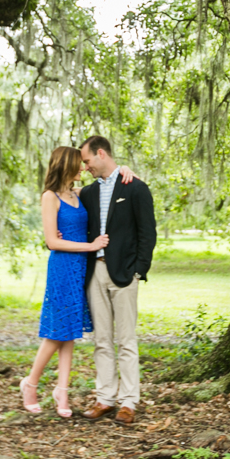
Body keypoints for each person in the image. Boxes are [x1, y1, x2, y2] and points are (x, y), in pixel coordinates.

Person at [20, 146, 134, 417]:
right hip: (62, 269)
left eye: (85, 164)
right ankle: (30, 384)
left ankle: (62, 392)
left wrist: (127, 171)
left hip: (81, 269)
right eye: (79, 164)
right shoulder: (49, 197)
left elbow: (110, 187)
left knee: (70, 332)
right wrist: (90, 246)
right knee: (56, 333)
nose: (84, 168)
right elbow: (52, 241)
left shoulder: (77, 194)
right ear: (66, 165)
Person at [79, 135, 157, 425]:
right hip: (95, 272)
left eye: (87, 160)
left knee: (125, 340)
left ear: (101, 154)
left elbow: (147, 233)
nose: (86, 166)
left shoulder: (135, 187)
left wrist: (139, 269)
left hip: (125, 273)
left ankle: (128, 402)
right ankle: (105, 399)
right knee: (101, 340)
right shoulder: (87, 193)